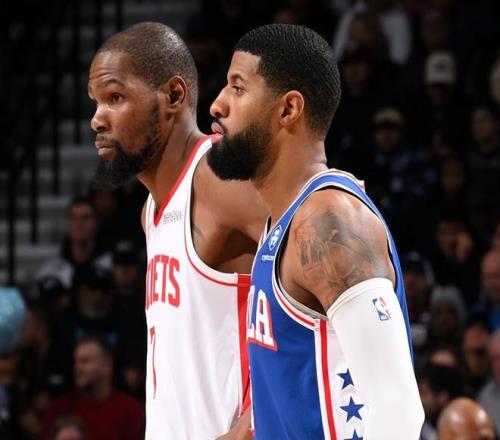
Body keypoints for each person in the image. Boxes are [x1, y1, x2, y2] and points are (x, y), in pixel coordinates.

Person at [208, 23, 424, 439]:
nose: (217, 105)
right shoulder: (280, 224)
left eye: (237, 88)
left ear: (288, 109)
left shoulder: (328, 221)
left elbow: (399, 413)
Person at [87, 22, 266, 439]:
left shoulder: (222, 181)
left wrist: (252, 423)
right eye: (95, 102)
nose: (97, 119)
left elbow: (323, 299)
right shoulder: (150, 210)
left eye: (115, 98)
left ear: (173, 95)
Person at [41, 337, 144, 440]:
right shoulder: (59, 409)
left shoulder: (131, 411)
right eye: (76, 362)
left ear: (107, 366)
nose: (77, 368)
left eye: (85, 361)